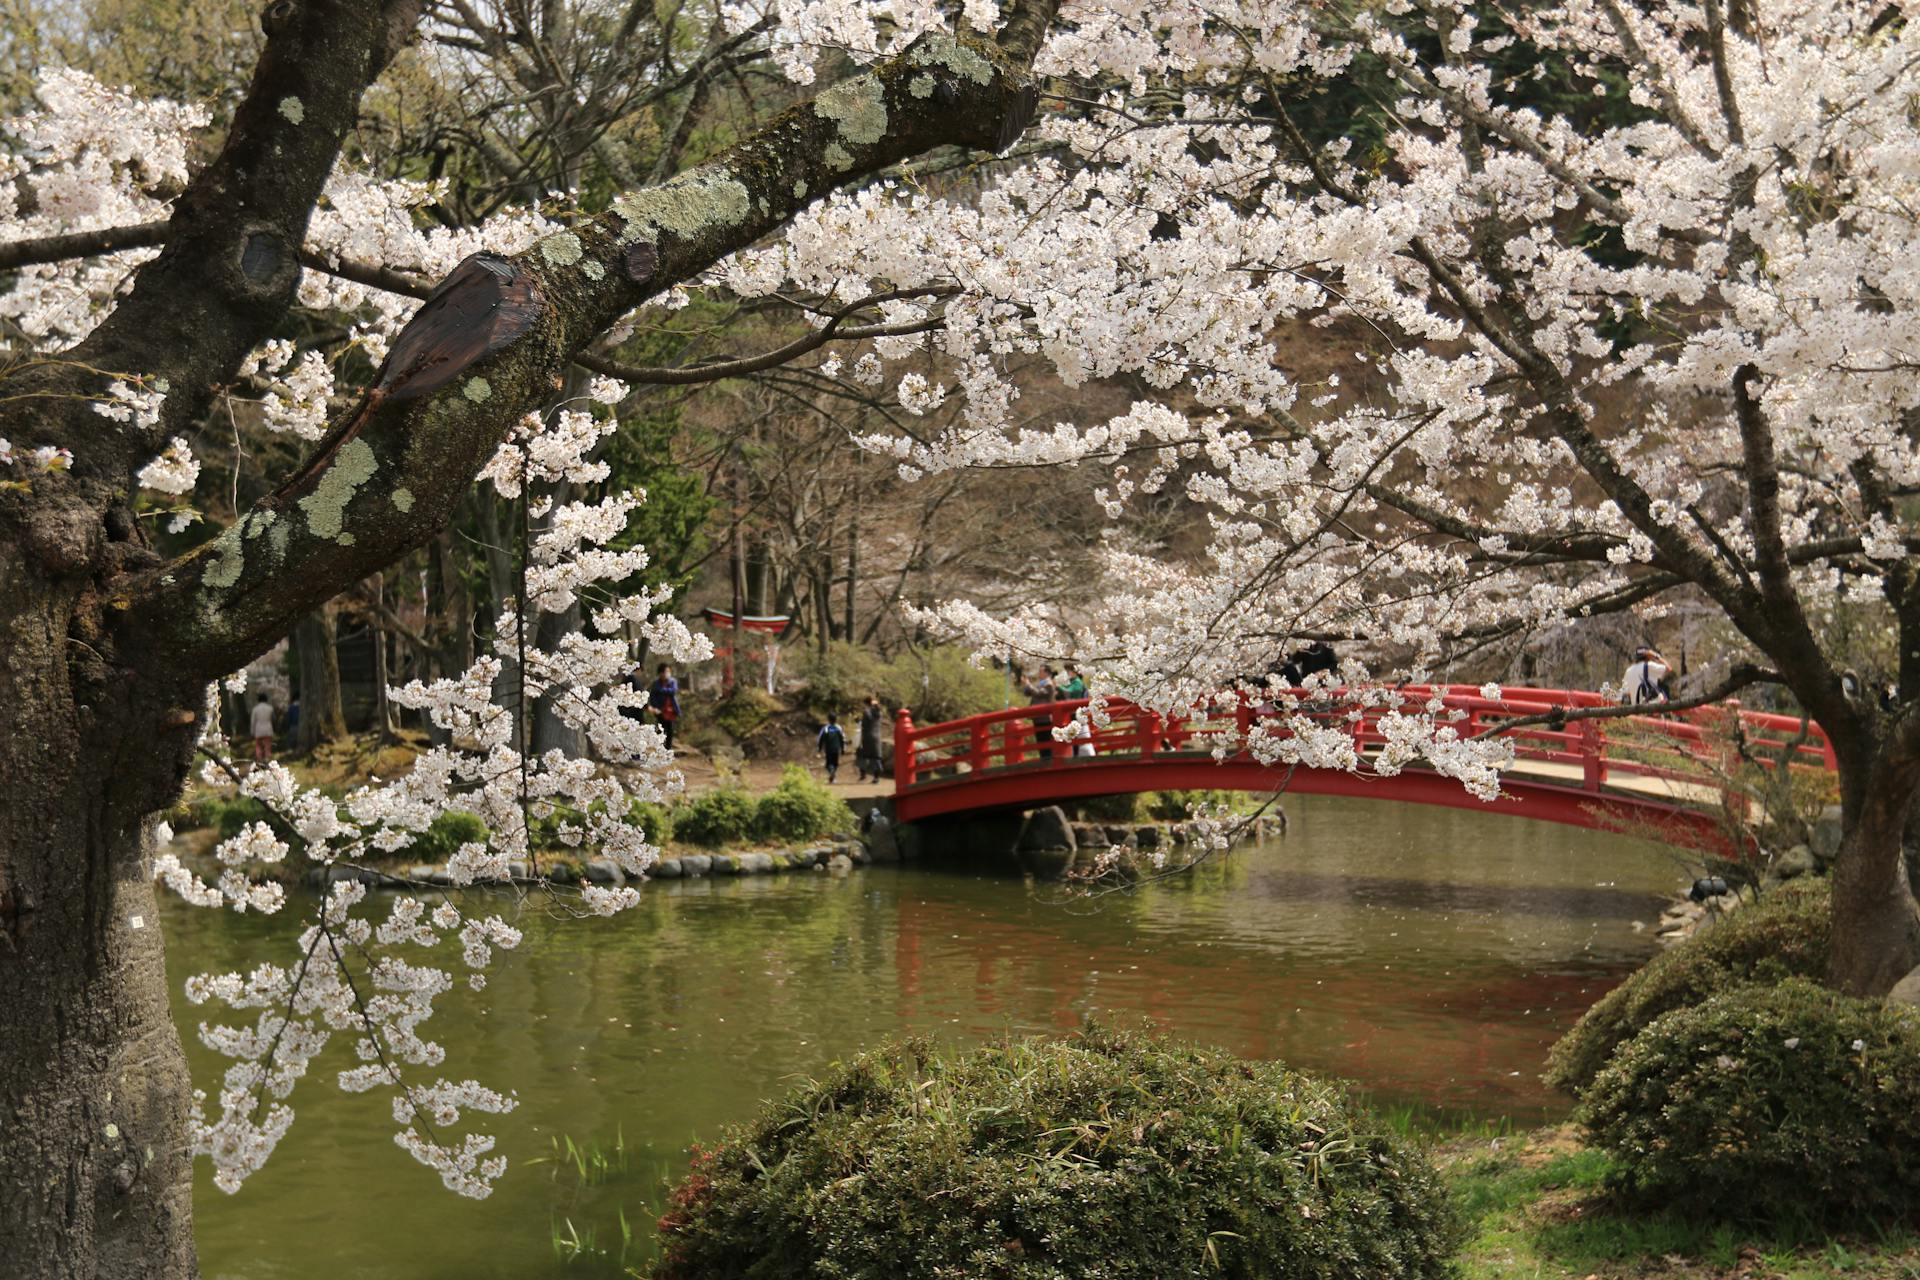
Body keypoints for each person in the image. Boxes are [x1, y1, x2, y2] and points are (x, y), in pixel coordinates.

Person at [647, 663, 681, 751]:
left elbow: (673, 691)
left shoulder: (672, 681)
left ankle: (668, 749)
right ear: (660, 673)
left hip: (671, 709)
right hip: (660, 709)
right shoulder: (656, 683)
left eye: (668, 671)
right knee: (661, 728)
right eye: (665, 671)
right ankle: (659, 747)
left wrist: (661, 690)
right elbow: (652, 696)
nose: (667, 673)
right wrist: (655, 707)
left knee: (670, 729)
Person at [856, 695, 885, 782]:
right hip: (877, 737)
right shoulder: (879, 712)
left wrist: (858, 721)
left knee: (861, 755)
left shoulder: (866, 711)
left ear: (866, 703)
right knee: (876, 757)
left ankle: (863, 775)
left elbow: (865, 724)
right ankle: (876, 777)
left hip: (868, 737)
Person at [818, 713, 846, 783]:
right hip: (836, 749)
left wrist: (819, 748)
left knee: (828, 764)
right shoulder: (838, 728)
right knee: (835, 763)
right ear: (836, 719)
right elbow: (842, 739)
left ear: (828, 719)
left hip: (828, 749)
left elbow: (820, 739)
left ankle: (831, 773)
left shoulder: (826, 728)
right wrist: (843, 749)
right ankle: (833, 776)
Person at [249, 693, 275, 763]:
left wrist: (252, 731)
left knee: (258, 746)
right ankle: (267, 760)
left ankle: (260, 761)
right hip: (268, 729)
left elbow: (253, 721)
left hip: (258, 730)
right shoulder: (270, 708)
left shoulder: (255, 709)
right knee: (267, 746)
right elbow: (273, 719)